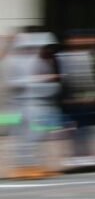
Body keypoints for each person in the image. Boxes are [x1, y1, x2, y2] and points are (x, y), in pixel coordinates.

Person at [5, 29, 62, 179]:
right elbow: (11, 83)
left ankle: (35, 165)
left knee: (37, 137)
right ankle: (23, 167)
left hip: (38, 104)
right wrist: (41, 79)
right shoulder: (12, 61)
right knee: (25, 138)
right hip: (19, 105)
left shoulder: (37, 60)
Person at [56, 29, 95, 164]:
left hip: (87, 98)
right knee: (72, 127)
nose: (78, 41)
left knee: (85, 127)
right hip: (70, 98)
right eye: (73, 38)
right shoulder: (63, 56)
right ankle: (77, 154)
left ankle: (84, 154)